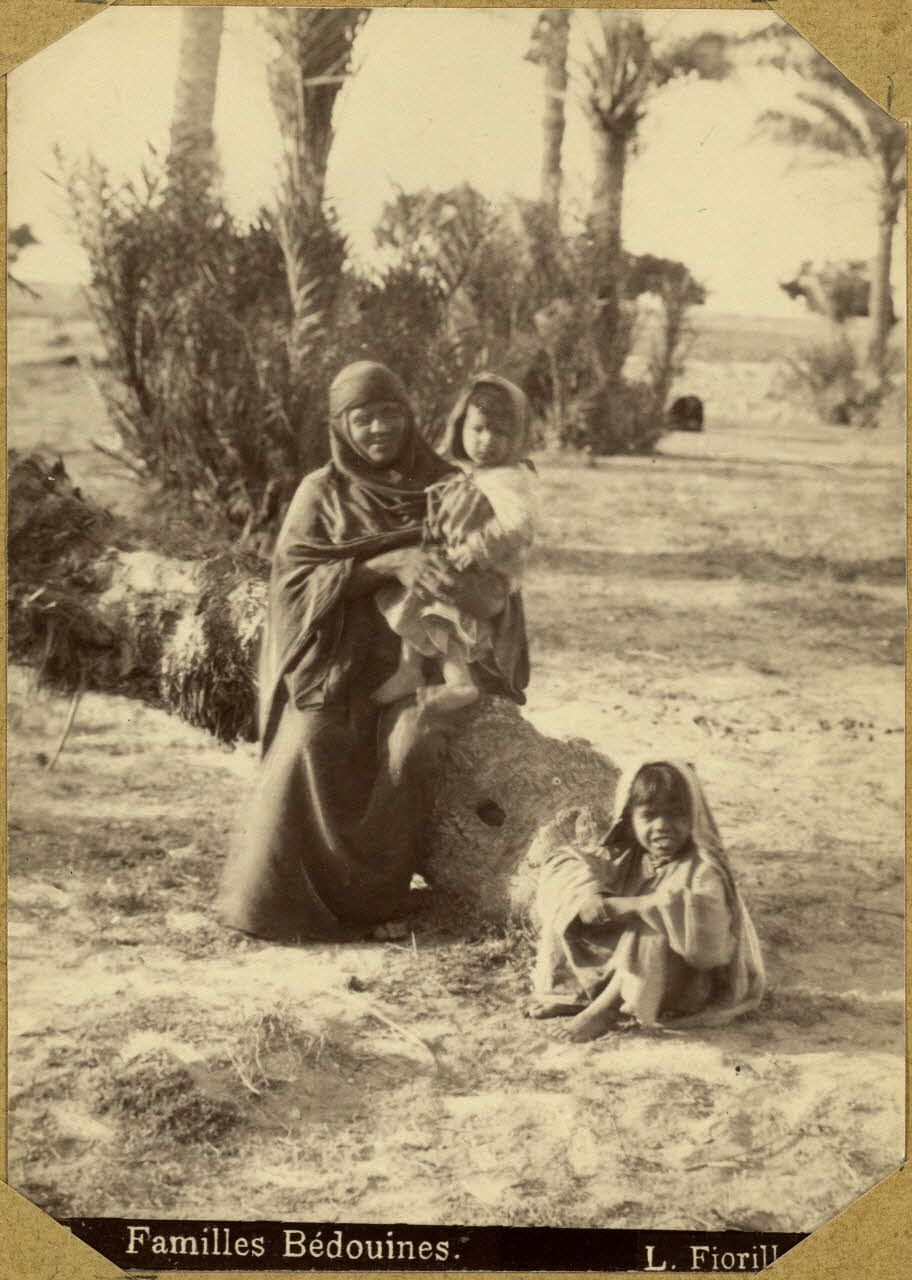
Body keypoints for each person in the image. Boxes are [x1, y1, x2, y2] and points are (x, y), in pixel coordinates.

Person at [216, 361, 528, 942]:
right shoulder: (321, 491)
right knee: (310, 741)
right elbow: (292, 583)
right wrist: (388, 563)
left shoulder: (449, 484)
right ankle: (294, 904)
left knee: (410, 746)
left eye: (390, 414)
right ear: (341, 426)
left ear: (410, 416)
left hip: (430, 660)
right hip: (336, 657)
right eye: (363, 419)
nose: (380, 429)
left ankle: (375, 901)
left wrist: (453, 585)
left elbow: (497, 584)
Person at [529, 760, 765, 1040]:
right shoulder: (632, 856)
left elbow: (707, 948)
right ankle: (587, 996)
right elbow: (567, 865)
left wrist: (642, 906)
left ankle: (607, 1009)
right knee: (572, 885)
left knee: (664, 914)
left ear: (695, 817)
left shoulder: (703, 869)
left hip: (686, 984)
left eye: (677, 814)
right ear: (630, 818)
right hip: (636, 974)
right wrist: (593, 896)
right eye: (649, 815)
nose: (663, 826)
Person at [373, 373, 538, 712]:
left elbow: (520, 525)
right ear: (461, 426)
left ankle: (459, 681)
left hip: (485, 575)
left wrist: (476, 547)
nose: (487, 441)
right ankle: (410, 669)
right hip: (462, 564)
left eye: (500, 433)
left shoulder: (508, 478)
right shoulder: (465, 470)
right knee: (419, 587)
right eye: (478, 429)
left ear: (517, 437)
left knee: (440, 604)